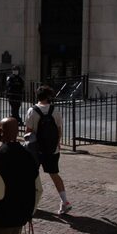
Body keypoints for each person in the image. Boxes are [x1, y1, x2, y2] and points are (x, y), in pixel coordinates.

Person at [24, 85, 72, 215]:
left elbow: (28, 132)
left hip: (36, 150)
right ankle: (65, 201)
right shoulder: (55, 111)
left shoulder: (32, 111)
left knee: (31, 175)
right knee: (55, 175)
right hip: (52, 150)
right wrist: (56, 144)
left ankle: (30, 204)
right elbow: (59, 130)